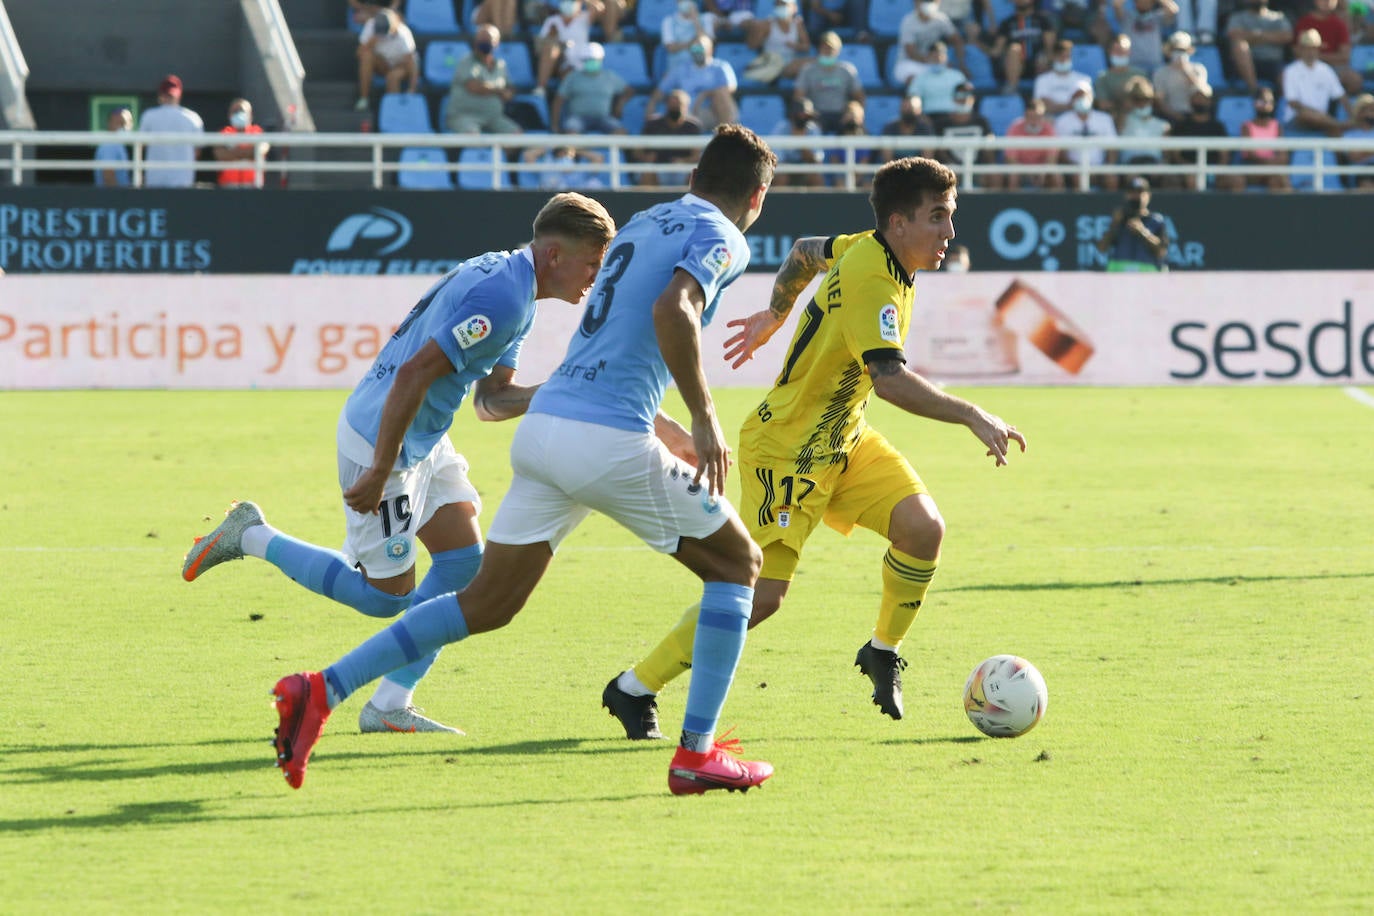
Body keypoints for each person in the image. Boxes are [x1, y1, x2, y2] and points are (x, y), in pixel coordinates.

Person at [268, 125, 780, 795]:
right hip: (606, 440)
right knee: (739, 565)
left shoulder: (641, 225)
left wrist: (662, 423)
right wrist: (705, 418)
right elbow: (674, 307)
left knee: (486, 601)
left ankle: (321, 689)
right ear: (758, 195)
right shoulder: (725, 237)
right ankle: (698, 753)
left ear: (694, 178)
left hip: (547, 432)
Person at [600, 156, 1026, 740]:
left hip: (844, 440)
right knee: (759, 597)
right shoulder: (874, 275)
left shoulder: (869, 247)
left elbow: (803, 250)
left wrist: (775, 315)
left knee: (923, 527)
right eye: (938, 217)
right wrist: (973, 414)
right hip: (787, 450)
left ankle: (881, 651)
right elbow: (890, 378)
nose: (949, 232)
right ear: (898, 223)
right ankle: (634, 688)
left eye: (950, 217)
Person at [186, 193, 616, 738]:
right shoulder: (505, 297)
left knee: (464, 565)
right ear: (555, 255)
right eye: (592, 265)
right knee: (385, 599)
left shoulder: (516, 287)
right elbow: (414, 373)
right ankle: (250, 535)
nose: (593, 279)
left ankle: (389, 705)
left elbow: (491, 401)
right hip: (381, 442)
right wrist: (381, 467)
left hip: (421, 437)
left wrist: (560, 390)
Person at [649, 34, 740, 130]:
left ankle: (728, 136)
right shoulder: (681, 69)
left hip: (714, 112)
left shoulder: (721, 66)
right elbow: (661, 90)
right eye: (694, 49)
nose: (697, 52)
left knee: (721, 95)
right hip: (689, 113)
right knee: (677, 102)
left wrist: (705, 94)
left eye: (701, 48)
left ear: (710, 49)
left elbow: (731, 87)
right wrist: (651, 106)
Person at [444, 26, 524, 135]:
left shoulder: (500, 65)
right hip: (465, 116)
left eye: (487, 39)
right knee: (473, 136)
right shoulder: (466, 61)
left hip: (493, 118)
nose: (483, 42)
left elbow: (510, 87)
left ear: (496, 42)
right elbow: (473, 86)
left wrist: (509, 93)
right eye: (480, 39)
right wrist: (499, 91)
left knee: (517, 135)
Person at [550, 42, 634, 134]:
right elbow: (558, 100)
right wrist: (555, 125)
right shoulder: (573, 77)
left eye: (594, 59)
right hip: (578, 118)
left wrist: (620, 103)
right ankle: (579, 149)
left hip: (603, 118)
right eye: (588, 59)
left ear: (601, 59)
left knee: (621, 133)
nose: (591, 62)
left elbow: (629, 90)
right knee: (571, 135)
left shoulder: (609, 76)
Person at [138, 75, 204, 189]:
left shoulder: (149, 115)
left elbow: (140, 147)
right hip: (182, 180)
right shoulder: (193, 118)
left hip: (155, 179)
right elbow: (197, 152)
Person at [932, 81, 1001, 187]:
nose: (964, 99)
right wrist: (953, 166)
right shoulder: (942, 123)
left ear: (973, 98)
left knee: (994, 174)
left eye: (968, 95)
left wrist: (984, 164)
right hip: (951, 165)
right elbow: (940, 151)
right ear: (953, 98)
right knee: (948, 174)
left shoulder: (981, 121)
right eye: (960, 95)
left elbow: (989, 146)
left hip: (978, 165)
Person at [794, 31, 865, 134]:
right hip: (816, 115)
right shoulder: (808, 70)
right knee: (808, 127)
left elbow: (859, 96)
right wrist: (808, 112)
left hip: (841, 114)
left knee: (854, 123)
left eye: (831, 48)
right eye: (824, 47)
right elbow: (798, 97)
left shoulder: (847, 70)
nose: (827, 51)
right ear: (819, 48)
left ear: (838, 50)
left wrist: (855, 112)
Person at [981, 0, 1057, 96]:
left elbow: (1050, 47)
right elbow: (996, 51)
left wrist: (1046, 58)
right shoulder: (1007, 23)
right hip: (1015, 65)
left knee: (1044, 56)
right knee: (1014, 49)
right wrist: (976, 41)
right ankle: (1012, 88)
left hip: (1039, 63)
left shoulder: (1043, 20)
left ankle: (1046, 90)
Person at [1169, 88, 1240, 188]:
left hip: (1214, 170)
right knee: (1192, 179)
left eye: (1203, 98)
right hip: (1188, 170)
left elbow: (1224, 155)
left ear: (1209, 101)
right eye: (1196, 98)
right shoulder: (1181, 126)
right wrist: (1188, 168)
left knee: (1236, 180)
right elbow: (1175, 155)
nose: (1200, 101)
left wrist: (1217, 171)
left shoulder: (1217, 127)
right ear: (1190, 101)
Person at [1282, 28, 1347, 135]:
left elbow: (1341, 96)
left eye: (1313, 48)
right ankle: (1343, 125)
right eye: (1307, 48)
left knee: (1336, 133)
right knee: (1306, 115)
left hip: (1323, 122)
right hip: (1297, 121)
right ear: (1300, 49)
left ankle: (1340, 128)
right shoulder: (1291, 71)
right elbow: (1293, 103)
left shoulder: (1326, 70)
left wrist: (1353, 114)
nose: (1310, 52)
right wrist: (1318, 115)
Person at [1096, 175, 1169, 270]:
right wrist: (1114, 225)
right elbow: (1101, 248)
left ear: (1148, 195)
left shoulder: (1156, 221)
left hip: (1147, 278)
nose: (1136, 196)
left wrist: (1142, 232)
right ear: (1126, 195)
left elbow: (1161, 252)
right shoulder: (1119, 218)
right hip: (1119, 276)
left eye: (1140, 192)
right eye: (1132, 192)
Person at [634, 88, 703, 187]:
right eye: (672, 103)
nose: (674, 107)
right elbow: (637, 151)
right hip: (657, 169)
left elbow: (697, 156)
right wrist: (646, 157)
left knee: (695, 176)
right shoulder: (652, 124)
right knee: (647, 173)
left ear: (686, 106)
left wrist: (683, 161)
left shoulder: (692, 127)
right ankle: (647, 202)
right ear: (666, 105)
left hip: (682, 170)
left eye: (678, 104)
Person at [1053, 84, 1118, 189]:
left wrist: (1107, 167)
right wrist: (1075, 168)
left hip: (1099, 167)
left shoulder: (1104, 119)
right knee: (1078, 177)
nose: (1082, 99)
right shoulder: (1062, 121)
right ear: (1072, 99)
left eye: (1085, 95)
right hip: (1073, 168)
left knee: (1111, 178)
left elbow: (1112, 149)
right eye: (1078, 96)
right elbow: (1061, 152)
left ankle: (1113, 206)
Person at [892, 0, 966, 90]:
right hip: (909, 63)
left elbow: (956, 40)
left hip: (932, 64)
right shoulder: (908, 21)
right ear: (916, 3)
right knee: (914, 80)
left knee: (953, 77)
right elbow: (910, 52)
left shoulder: (941, 19)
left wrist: (961, 63)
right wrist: (930, 60)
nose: (927, 3)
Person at [355, 8, 418, 112]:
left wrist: (412, 89)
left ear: (393, 27)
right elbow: (358, 54)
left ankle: (394, 113)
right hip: (383, 64)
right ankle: (364, 99)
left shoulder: (404, 34)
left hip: (401, 65)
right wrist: (370, 42)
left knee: (392, 77)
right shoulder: (371, 25)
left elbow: (412, 63)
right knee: (366, 56)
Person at [1225, 0, 1292, 95]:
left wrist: (1255, 36)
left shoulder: (1278, 17)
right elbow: (1234, 35)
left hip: (1274, 64)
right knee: (1240, 45)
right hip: (1248, 63)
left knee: (1288, 75)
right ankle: (1254, 91)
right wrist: (1270, 37)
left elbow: (1287, 36)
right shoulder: (1238, 17)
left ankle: (1284, 102)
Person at [743, 0, 813, 83]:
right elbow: (752, 46)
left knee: (815, 62)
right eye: (777, 4)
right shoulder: (766, 25)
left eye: (784, 4)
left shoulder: (798, 25)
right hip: (771, 62)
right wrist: (755, 29)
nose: (780, 7)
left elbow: (807, 47)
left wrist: (795, 46)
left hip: (790, 63)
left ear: (794, 8)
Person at [1151, 31, 1211, 126]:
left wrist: (1185, 70)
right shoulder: (1160, 73)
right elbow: (1160, 102)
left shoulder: (1199, 69)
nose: (1179, 53)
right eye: (1175, 50)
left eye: (1182, 50)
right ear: (1169, 52)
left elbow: (1203, 94)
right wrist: (1176, 116)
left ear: (1189, 51)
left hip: (1195, 118)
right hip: (1170, 118)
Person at [1004, 96, 1063, 188]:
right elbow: (1011, 159)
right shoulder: (1014, 128)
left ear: (1043, 116)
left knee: (1056, 177)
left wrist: (1042, 173)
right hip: (1020, 169)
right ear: (1025, 116)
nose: (1033, 121)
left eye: (1037, 117)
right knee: (1013, 176)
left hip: (1042, 169)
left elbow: (1051, 158)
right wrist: (1027, 173)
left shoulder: (1049, 129)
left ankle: (1058, 202)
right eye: (1030, 117)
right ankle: (1013, 202)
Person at [1238, 86, 1289, 191]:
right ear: (1254, 103)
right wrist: (1270, 164)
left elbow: (1283, 156)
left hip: (1271, 170)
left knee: (1278, 181)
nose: (1265, 104)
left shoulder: (1277, 126)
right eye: (1261, 101)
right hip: (1252, 169)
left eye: (1269, 101)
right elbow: (1250, 153)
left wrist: (1271, 165)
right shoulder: (1246, 126)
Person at [1116, 76, 1171, 174]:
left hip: (1154, 164)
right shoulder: (1123, 120)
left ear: (1151, 100)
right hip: (1130, 165)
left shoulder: (1163, 125)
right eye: (1137, 99)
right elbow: (1118, 130)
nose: (1142, 103)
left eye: (1146, 99)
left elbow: (1166, 156)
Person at [213, 98, 270, 189]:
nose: (238, 114)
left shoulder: (258, 132)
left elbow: (262, 149)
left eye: (242, 111)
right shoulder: (224, 133)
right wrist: (249, 153)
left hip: (253, 185)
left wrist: (233, 153)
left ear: (250, 115)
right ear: (229, 115)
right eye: (235, 112)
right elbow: (220, 154)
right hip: (228, 186)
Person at [772, 97, 826, 187]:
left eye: (807, 116)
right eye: (800, 115)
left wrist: (802, 145)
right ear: (793, 116)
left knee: (816, 178)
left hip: (806, 168)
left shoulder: (813, 129)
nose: (803, 118)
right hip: (785, 169)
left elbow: (817, 160)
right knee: (781, 178)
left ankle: (819, 201)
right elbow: (778, 160)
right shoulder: (781, 128)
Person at [1033, 38, 1094, 116]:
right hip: (1051, 120)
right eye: (1061, 56)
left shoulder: (1084, 79)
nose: (1064, 60)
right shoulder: (1041, 80)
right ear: (1053, 57)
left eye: (1067, 56)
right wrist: (1070, 106)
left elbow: (1086, 105)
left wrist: (1058, 107)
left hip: (1075, 121)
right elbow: (1044, 106)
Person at [1294, 0, 1353, 80]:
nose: (1327, 2)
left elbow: (1344, 56)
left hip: (1333, 67)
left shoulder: (1339, 24)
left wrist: (1316, 57)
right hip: (1306, 65)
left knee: (1353, 79)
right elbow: (1297, 51)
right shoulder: (1304, 22)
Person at [1113, 0, 1178, 72]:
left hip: (1155, 66)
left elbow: (1173, 10)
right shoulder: (1127, 17)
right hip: (1133, 66)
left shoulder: (1157, 17)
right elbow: (1116, 4)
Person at [1094, 33, 1149, 116]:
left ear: (1129, 52)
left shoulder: (1140, 74)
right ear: (1109, 52)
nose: (1120, 53)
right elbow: (1103, 104)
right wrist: (1123, 105)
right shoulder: (1102, 78)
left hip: (1139, 117)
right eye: (1117, 50)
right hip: (1115, 118)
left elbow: (1148, 100)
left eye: (1123, 50)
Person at [908, 41, 968, 115]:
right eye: (934, 56)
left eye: (940, 55)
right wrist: (920, 116)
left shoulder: (957, 76)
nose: (937, 58)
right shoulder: (920, 78)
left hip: (953, 115)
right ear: (928, 57)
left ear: (946, 57)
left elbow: (965, 99)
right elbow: (914, 98)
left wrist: (960, 114)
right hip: (929, 115)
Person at [877, 95, 936, 163]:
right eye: (905, 107)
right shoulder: (889, 128)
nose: (907, 111)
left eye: (911, 108)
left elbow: (927, 159)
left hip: (919, 170)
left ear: (919, 110)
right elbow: (887, 159)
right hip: (895, 171)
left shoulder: (925, 129)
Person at [663, 0, 710, 75]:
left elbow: (705, 47)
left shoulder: (706, 19)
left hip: (700, 70)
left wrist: (696, 19)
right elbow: (671, 48)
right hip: (676, 70)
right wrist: (692, 43)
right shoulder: (669, 21)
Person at [1341, 93, 1374, 189]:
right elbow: (1354, 157)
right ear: (1360, 113)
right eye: (1371, 110)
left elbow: (1360, 154)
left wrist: (1365, 152)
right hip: (1360, 172)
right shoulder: (1349, 135)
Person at [94, 107, 132, 188]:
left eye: (125, 123)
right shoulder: (110, 144)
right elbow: (108, 176)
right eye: (119, 123)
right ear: (109, 123)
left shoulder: (118, 145)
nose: (123, 127)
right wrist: (120, 198)